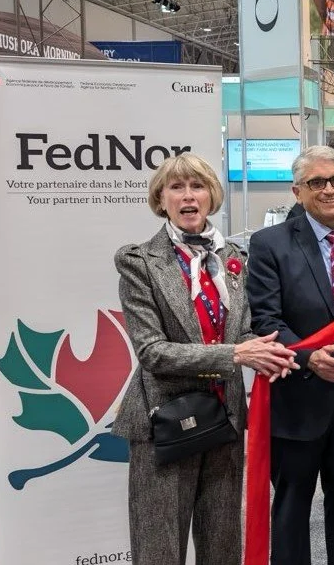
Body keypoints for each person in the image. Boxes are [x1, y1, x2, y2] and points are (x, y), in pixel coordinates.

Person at [113, 153, 297, 565]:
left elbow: (244, 330)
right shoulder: (139, 261)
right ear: (161, 199)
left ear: (212, 196)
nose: (188, 196)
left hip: (226, 416)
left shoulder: (233, 257)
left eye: (197, 186)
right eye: (176, 187)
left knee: (223, 545)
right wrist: (235, 354)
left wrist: (272, 353)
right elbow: (151, 351)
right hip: (164, 419)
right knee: (159, 548)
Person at [247, 146, 334, 565]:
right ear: (297, 191)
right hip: (299, 396)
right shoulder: (270, 243)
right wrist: (309, 358)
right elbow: (266, 321)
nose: (329, 190)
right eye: (317, 183)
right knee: (292, 510)